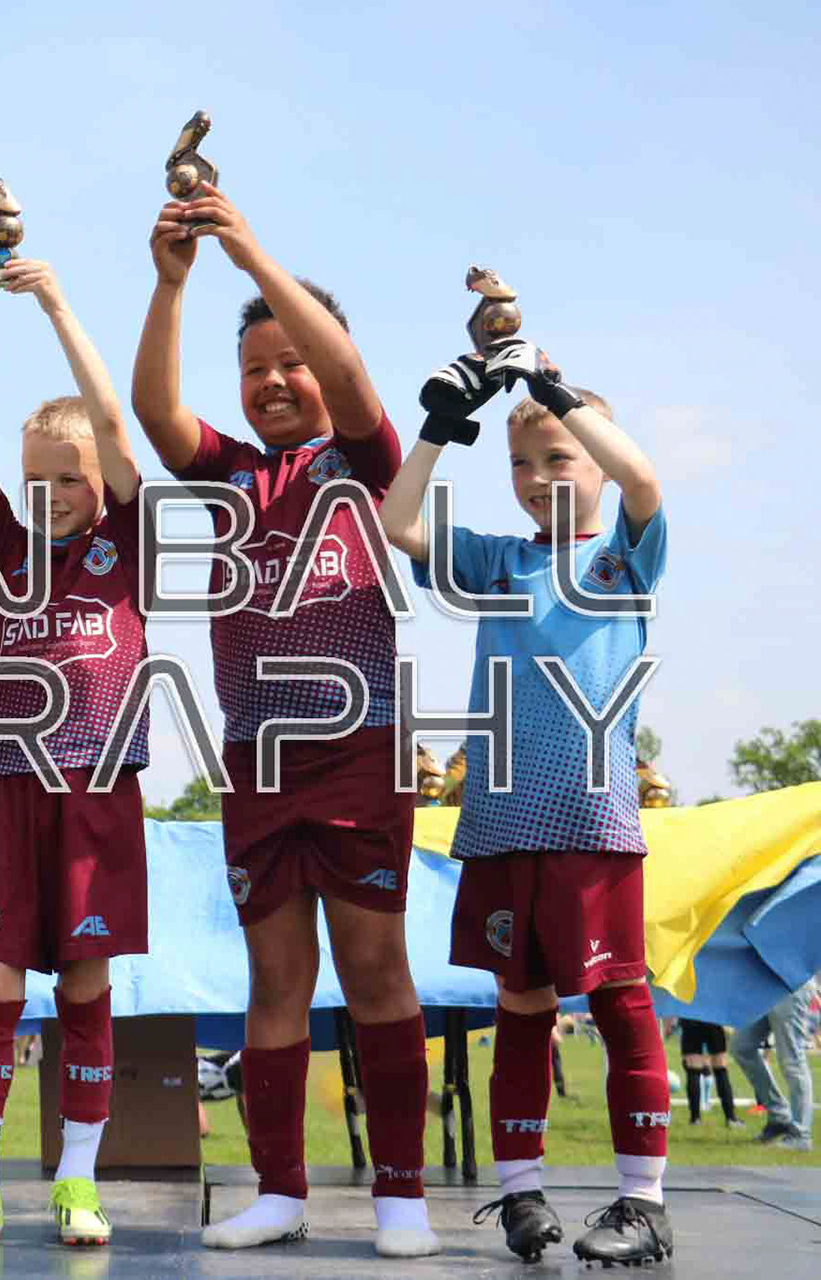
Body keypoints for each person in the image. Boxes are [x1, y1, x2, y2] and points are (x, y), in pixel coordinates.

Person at [132, 188, 435, 1257]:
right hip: (256, 756)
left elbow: (349, 377)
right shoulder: (228, 473)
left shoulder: (365, 457)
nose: (272, 381)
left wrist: (252, 255)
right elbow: (157, 416)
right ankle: (280, 1190)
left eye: (289, 362)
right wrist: (173, 282)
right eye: (253, 368)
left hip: (359, 743)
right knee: (273, 980)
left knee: (375, 968)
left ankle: (401, 1194)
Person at [382, 340, 670, 1265]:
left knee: (621, 1003)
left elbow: (643, 479)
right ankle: (521, 1196)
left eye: (559, 458)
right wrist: (441, 424)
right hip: (504, 824)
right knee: (521, 1007)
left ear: (596, 461)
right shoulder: (498, 559)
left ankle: (645, 1202)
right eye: (520, 462)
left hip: (594, 822)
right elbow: (396, 522)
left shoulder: (626, 556)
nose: (538, 477)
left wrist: (552, 390)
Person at [0, 257, 148, 1250]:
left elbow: (115, 422)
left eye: (69, 477)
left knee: (88, 990)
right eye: (38, 479)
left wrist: (57, 305)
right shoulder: (9, 547)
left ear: (100, 477)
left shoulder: (129, 540)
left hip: (99, 791)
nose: (51, 493)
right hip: (13, 790)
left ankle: (77, 1182)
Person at [733, 974, 819, 1150]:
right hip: (767, 985)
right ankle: (779, 1116)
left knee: (792, 1060)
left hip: (791, 983)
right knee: (741, 1046)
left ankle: (801, 1135)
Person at [677, 1019, 740, 1126]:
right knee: (720, 1069)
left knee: (693, 1070)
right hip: (712, 1019)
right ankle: (731, 1118)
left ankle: (695, 1119)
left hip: (691, 1018)